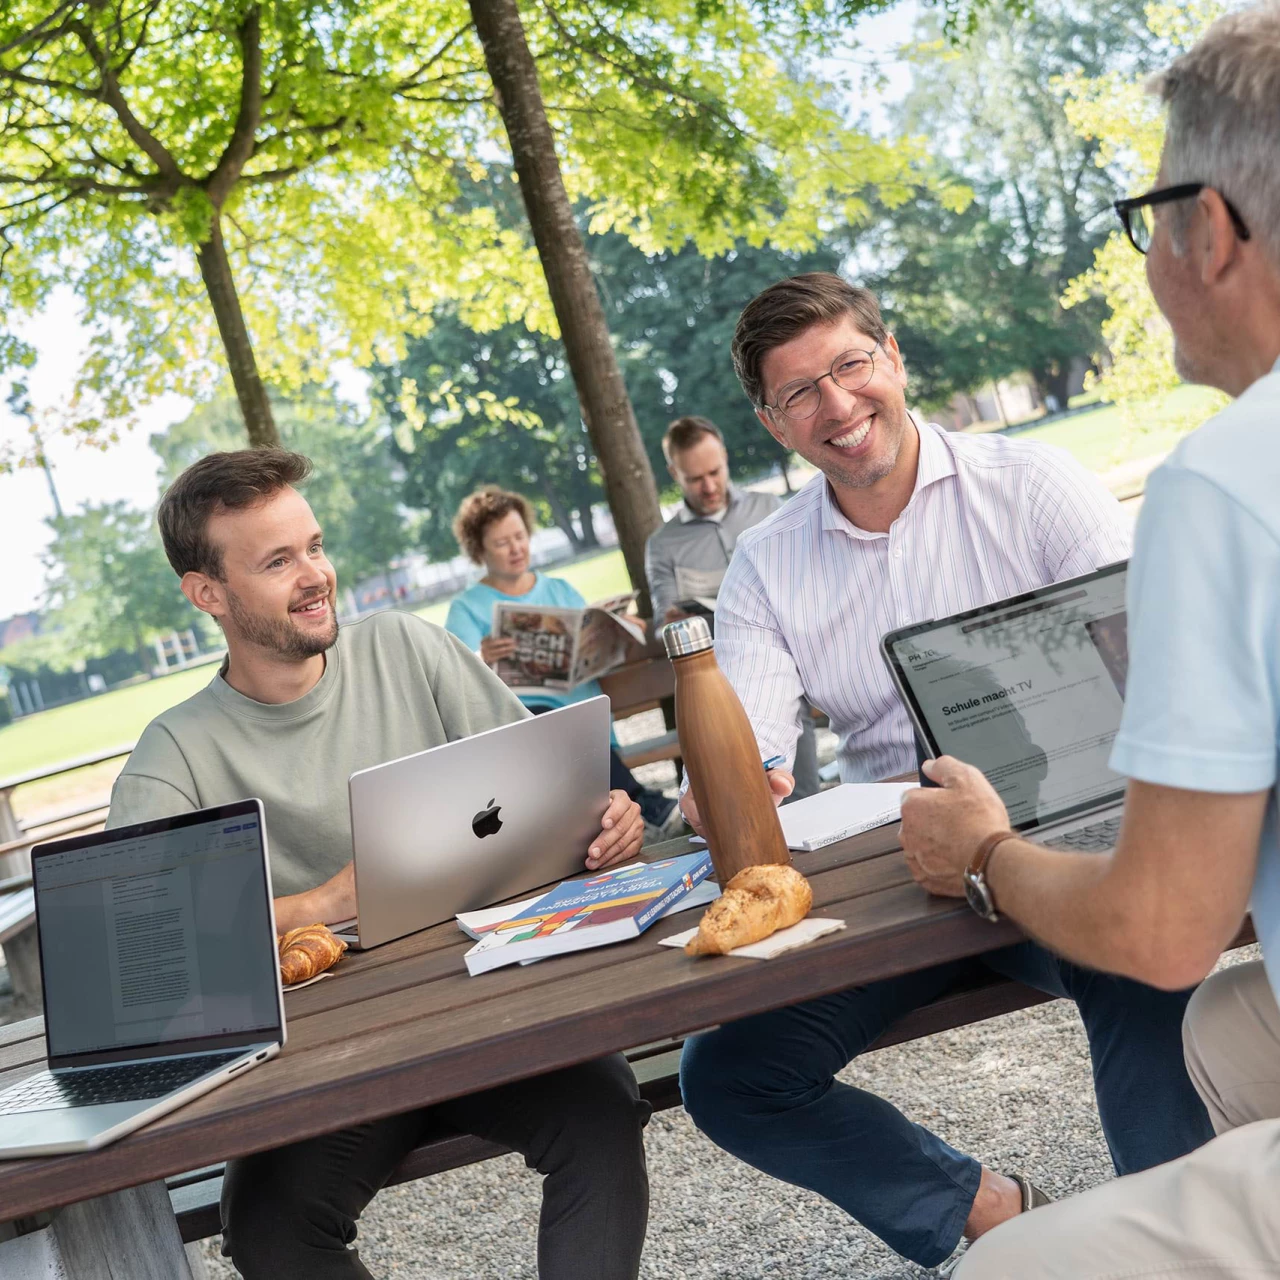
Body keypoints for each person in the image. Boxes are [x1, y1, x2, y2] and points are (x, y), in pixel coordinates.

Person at [675, 272, 1214, 1271]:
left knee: (1137, 961)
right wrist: (732, 783)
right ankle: (997, 1215)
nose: (837, 406)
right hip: (891, 876)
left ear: (893, 359)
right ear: (770, 422)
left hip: (1050, 833)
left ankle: (1183, 1246)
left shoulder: (1032, 485)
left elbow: (1143, 669)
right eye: (800, 392)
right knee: (727, 1070)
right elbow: (744, 741)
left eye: (850, 365)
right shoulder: (764, 563)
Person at [896, 8, 1280, 1275]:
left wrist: (989, 854)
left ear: (1207, 231)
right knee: (1222, 1025)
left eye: (1145, 218)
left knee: (999, 1270)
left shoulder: (1222, 479)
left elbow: (1166, 922)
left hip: (1021, 843)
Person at [107, 451, 650, 1280]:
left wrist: (604, 823)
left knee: (605, 1113)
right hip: (318, 1073)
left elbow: (548, 788)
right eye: (278, 561)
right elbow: (135, 958)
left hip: (482, 1013)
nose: (316, 575)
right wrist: (322, 901)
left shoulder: (407, 650)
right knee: (266, 1230)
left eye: (315, 546)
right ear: (207, 594)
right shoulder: (174, 755)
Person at [445, 485, 683, 841]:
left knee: (563, 727)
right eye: (502, 542)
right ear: (480, 550)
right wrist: (483, 659)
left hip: (586, 726)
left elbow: (597, 651)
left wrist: (620, 631)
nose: (516, 548)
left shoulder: (560, 590)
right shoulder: (466, 609)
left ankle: (645, 811)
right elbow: (455, 683)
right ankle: (647, 805)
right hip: (525, 740)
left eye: (520, 536)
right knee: (544, 723)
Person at [644, 415, 820, 800]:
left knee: (784, 700)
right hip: (714, 675)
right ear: (675, 473)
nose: (708, 486)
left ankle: (803, 801)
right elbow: (663, 625)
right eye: (694, 479)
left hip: (783, 659)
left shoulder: (769, 508)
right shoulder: (663, 544)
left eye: (714, 471)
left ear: (724, 457)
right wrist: (674, 623)